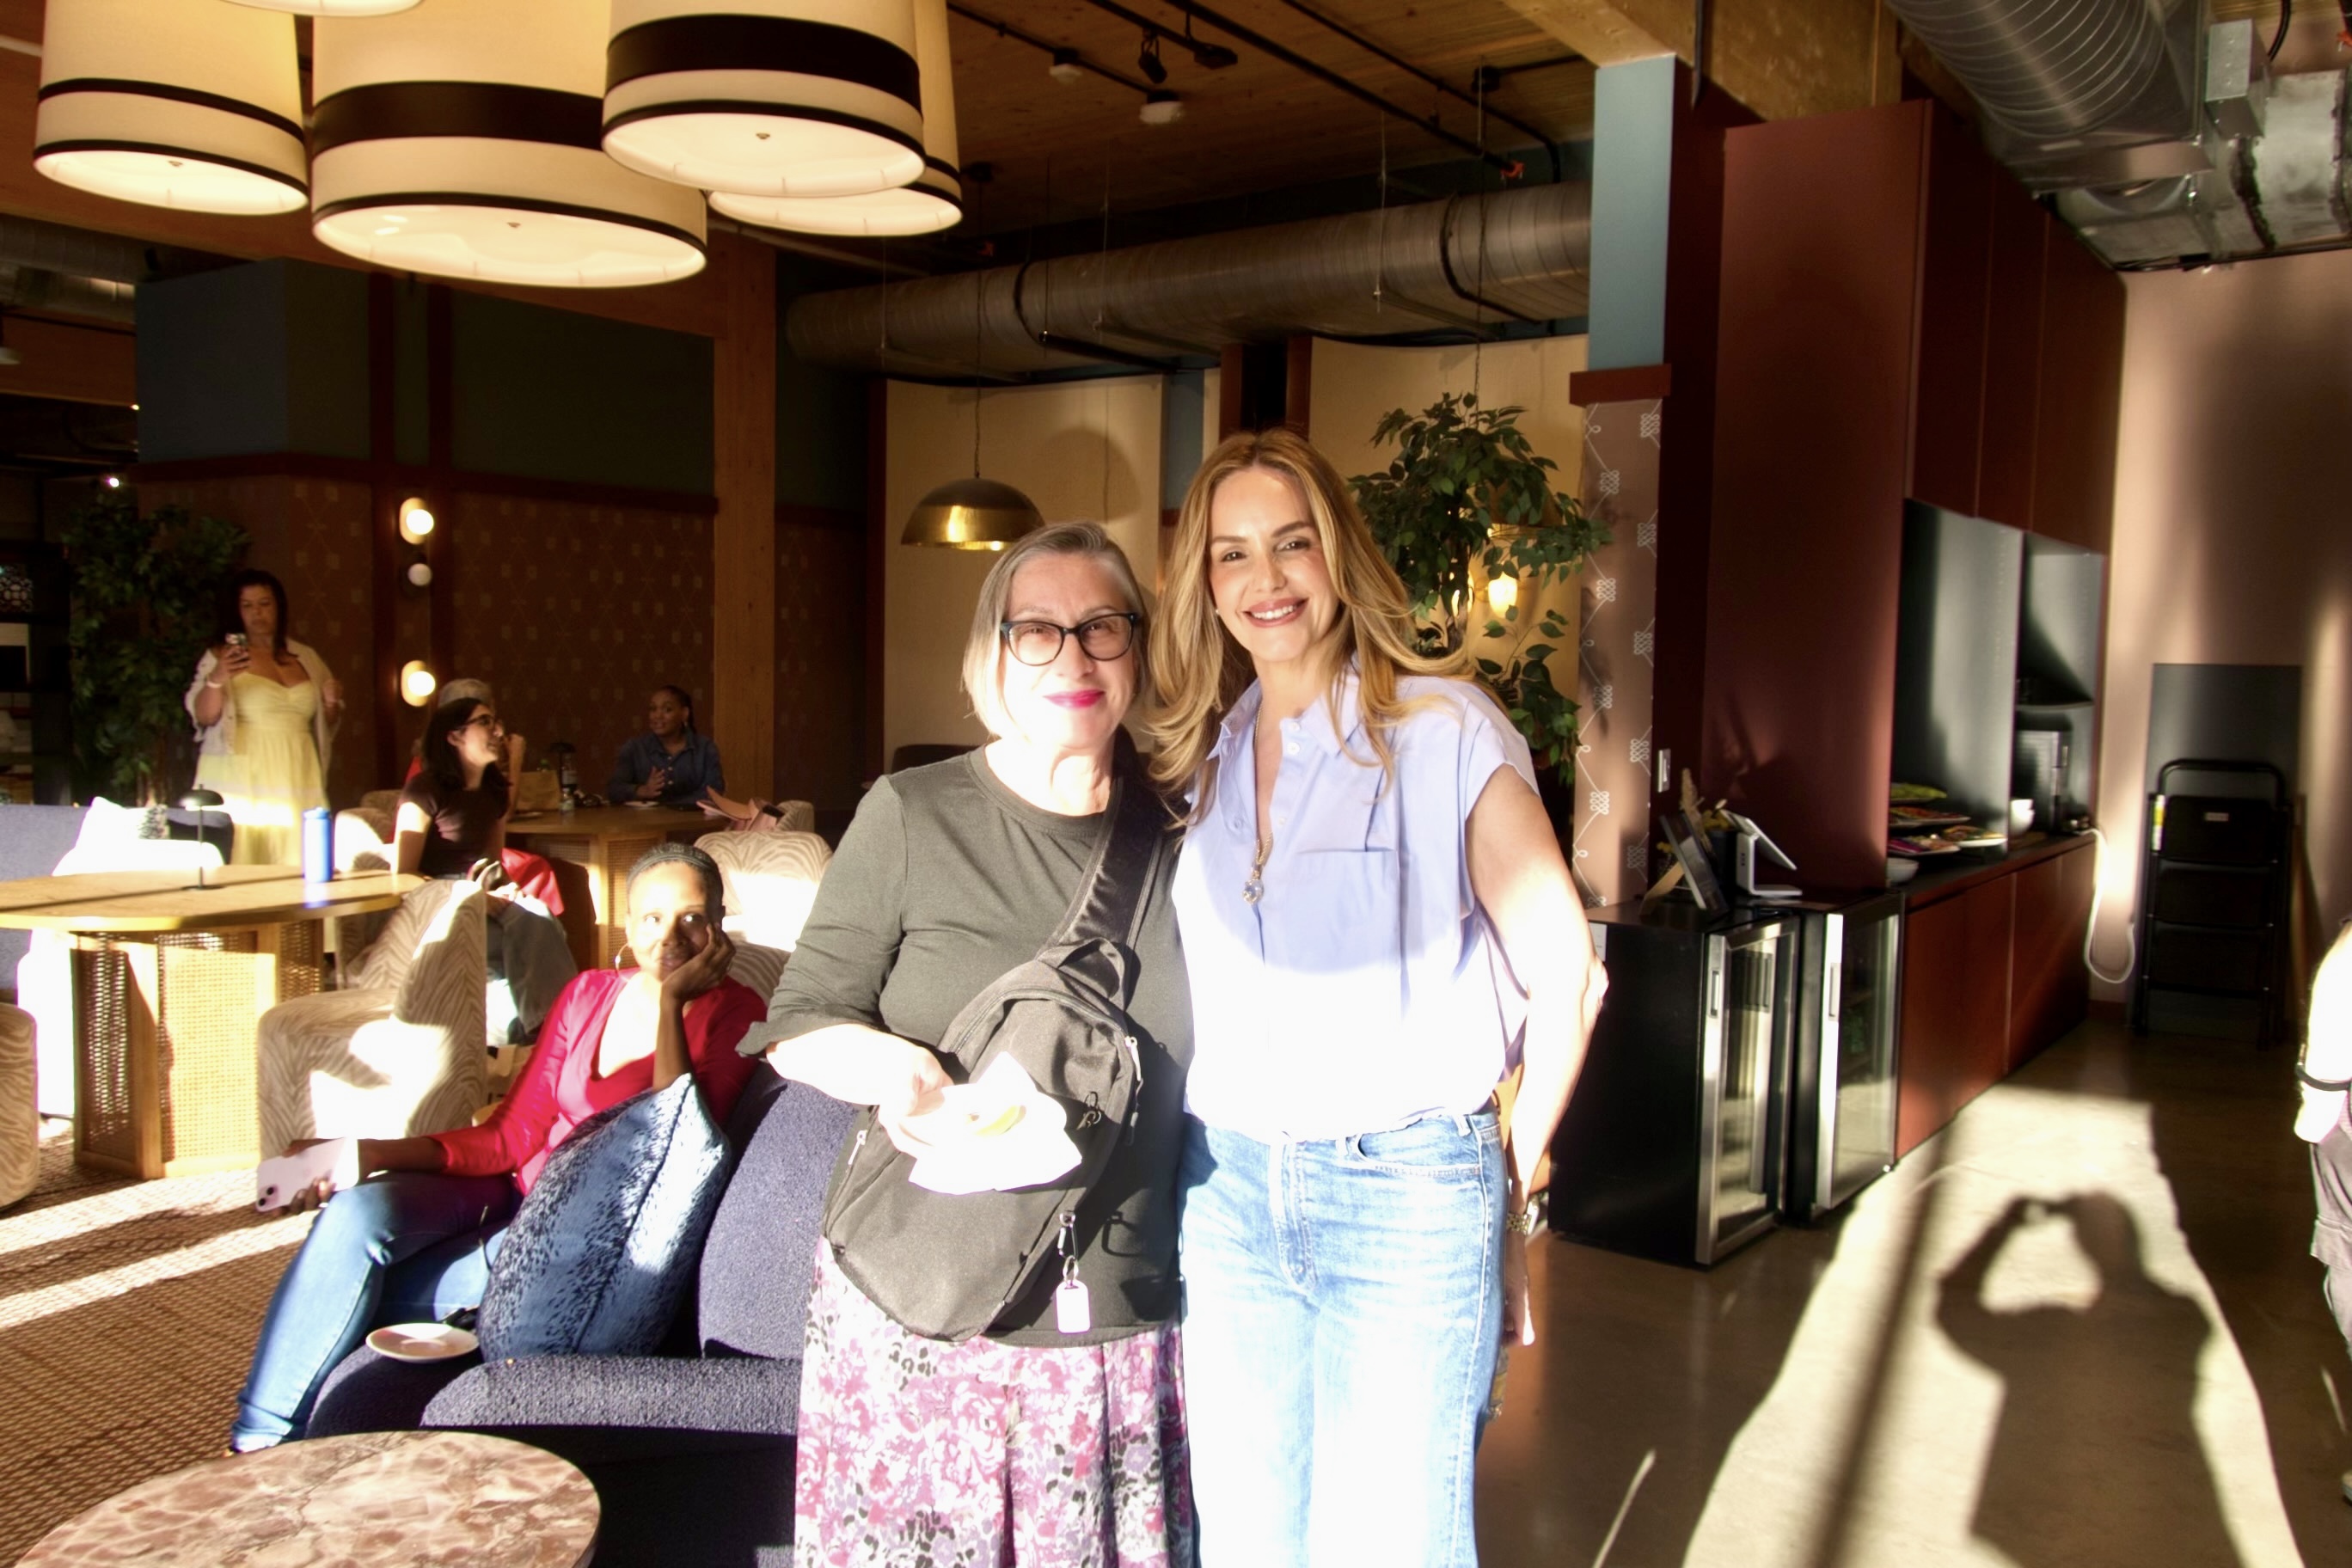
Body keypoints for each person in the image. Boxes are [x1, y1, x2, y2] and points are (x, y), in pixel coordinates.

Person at [1144, 428, 1606, 1565]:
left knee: (1391, 1542)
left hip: (1403, 1193)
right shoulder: (1207, 759)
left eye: (1292, 543)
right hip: (1224, 1189)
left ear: (1340, 554)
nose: (1265, 579)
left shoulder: (1442, 732)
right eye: (1232, 553)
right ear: (1205, 585)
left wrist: (1506, 1186)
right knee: (1246, 1539)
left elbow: (1569, 973)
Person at [755, 523, 1195, 1565]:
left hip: (1124, 1329)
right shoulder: (914, 814)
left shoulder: (1192, 834)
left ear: (1138, 652)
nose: (1073, 658)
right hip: (928, 1319)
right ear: (991, 655)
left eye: (1102, 627)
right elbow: (798, 1020)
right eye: (1036, 630)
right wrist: (896, 1072)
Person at [230, 842, 765, 1450]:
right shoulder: (589, 993)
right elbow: (510, 1135)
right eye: (652, 917)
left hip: (568, 1238)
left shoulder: (738, 1012)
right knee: (356, 1213)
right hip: (505, 1194)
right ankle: (256, 1442)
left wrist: (671, 1004)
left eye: (691, 918)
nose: (670, 936)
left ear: (719, 925)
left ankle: (268, 1445)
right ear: (627, 924)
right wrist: (365, 1153)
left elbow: (674, 1141)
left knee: (349, 1288)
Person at [397, 695, 578, 1043]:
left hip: (482, 894)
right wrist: (469, 897)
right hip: (436, 901)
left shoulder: (494, 791)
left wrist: (506, 887)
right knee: (537, 924)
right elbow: (403, 877)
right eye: (484, 722)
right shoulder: (425, 790)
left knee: (537, 917)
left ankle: (535, 1028)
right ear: (454, 736)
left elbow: (493, 866)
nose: (498, 731)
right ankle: (559, 1028)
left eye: (496, 722)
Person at [184, 569, 343, 865]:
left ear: (278, 606)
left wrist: (331, 704)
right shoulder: (221, 655)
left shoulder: (306, 657)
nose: (257, 613)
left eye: (264, 604)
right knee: (244, 852)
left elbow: (325, 724)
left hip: (297, 765)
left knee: (299, 855)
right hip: (242, 766)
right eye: (248, 605)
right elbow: (203, 716)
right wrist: (217, 678)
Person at [608, 684, 724, 806]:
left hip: (693, 817)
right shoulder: (635, 748)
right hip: (646, 819)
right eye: (653, 709)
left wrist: (672, 806)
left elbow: (713, 792)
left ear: (684, 714)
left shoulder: (705, 748)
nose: (658, 716)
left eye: (667, 709)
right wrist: (642, 790)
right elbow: (613, 790)